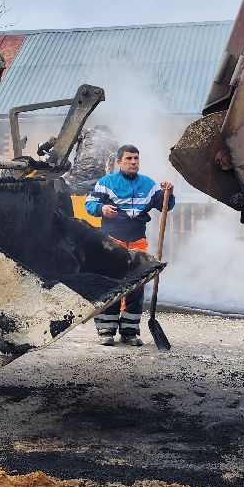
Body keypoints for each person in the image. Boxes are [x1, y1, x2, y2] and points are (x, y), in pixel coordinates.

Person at [84, 144, 175, 346]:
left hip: (137, 244)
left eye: (136, 158)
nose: (133, 162)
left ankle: (130, 332)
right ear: (119, 162)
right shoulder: (106, 183)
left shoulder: (148, 185)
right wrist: (102, 208)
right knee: (110, 284)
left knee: (136, 286)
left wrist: (169, 192)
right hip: (111, 243)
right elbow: (89, 205)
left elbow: (166, 206)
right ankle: (106, 331)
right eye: (128, 159)